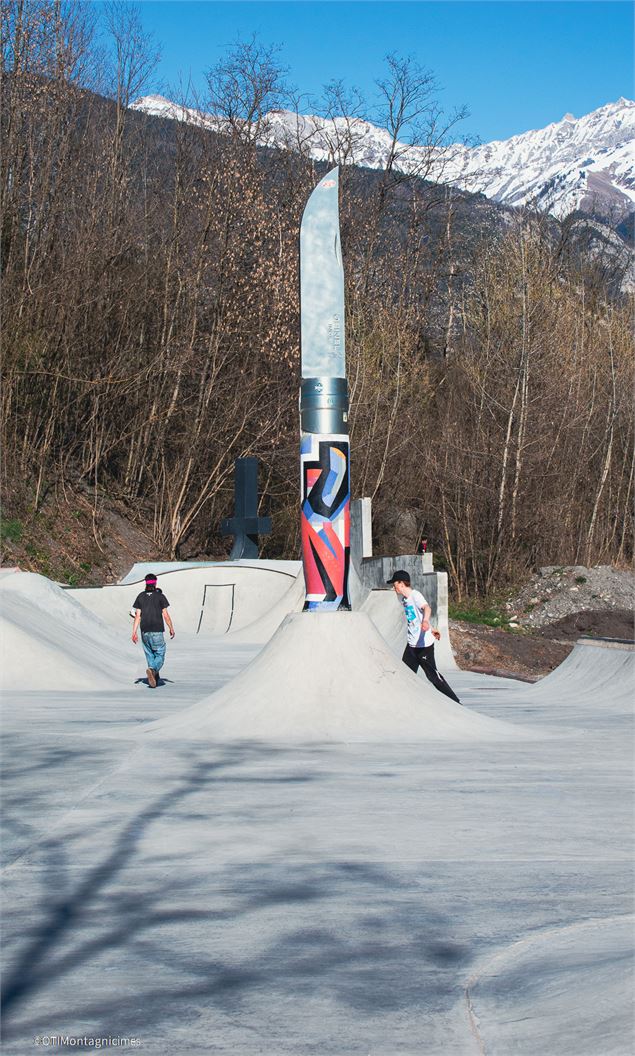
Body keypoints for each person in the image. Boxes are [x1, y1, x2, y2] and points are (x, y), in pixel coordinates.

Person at [386, 569, 461, 704]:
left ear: (401, 583)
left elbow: (427, 608)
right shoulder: (404, 600)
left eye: (394, 584)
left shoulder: (415, 595)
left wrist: (426, 622)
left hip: (424, 647)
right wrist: (432, 629)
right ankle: (404, 702)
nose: (393, 587)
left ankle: (455, 702)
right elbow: (417, 618)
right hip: (412, 646)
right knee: (405, 675)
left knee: (433, 677)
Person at [131, 573, 175, 688]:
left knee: (150, 654)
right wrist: (171, 628)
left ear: (145, 583)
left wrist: (134, 632)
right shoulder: (160, 596)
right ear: (155, 583)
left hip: (144, 631)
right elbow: (165, 615)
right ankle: (153, 670)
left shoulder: (140, 596)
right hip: (157, 630)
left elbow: (137, 616)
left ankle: (154, 677)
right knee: (160, 653)